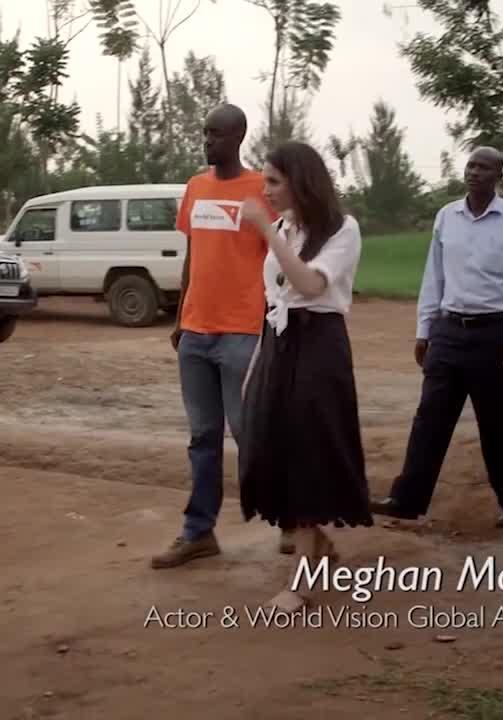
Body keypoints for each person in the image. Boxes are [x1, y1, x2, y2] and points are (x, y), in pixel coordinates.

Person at [151, 103, 292, 569]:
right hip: (195, 332)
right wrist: (179, 318)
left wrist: (274, 317)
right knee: (202, 437)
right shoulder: (195, 187)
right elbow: (194, 254)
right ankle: (199, 532)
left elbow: (282, 254)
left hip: (242, 332)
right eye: (205, 132)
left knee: (250, 432)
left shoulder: (260, 190)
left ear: (238, 137)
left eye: (215, 133)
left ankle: (288, 517)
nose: (207, 140)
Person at [370, 147, 503, 528]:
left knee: (498, 424)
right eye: (471, 165)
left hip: (495, 334)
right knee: (429, 419)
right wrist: (423, 329)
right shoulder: (447, 216)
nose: (475, 172)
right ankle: (407, 499)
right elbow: (435, 278)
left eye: (484, 167)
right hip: (448, 332)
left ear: (498, 175)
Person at [237, 141, 373, 611]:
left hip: (319, 347)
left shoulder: (341, 230)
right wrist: (257, 364)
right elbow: (274, 304)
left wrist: (265, 233)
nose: (266, 191)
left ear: (300, 180)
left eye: (274, 181)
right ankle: (321, 550)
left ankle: (302, 583)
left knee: (309, 455)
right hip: (281, 345)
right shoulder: (283, 227)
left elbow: (311, 284)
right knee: (270, 448)